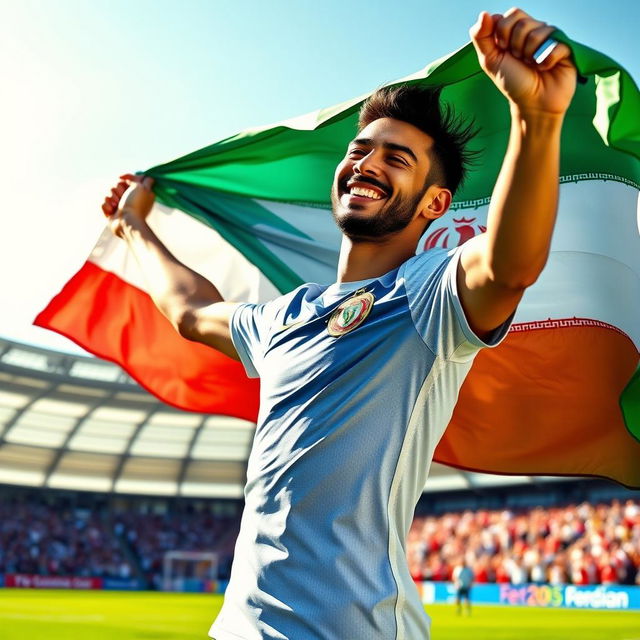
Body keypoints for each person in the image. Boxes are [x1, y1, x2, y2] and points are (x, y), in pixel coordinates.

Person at [102, 8, 576, 639]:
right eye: (359, 149)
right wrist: (134, 226)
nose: (366, 162)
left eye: (396, 157)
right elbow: (192, 312)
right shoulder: (285, 316)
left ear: (436, 204)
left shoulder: (426, 296)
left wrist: (535, 119)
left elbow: (508, 266)